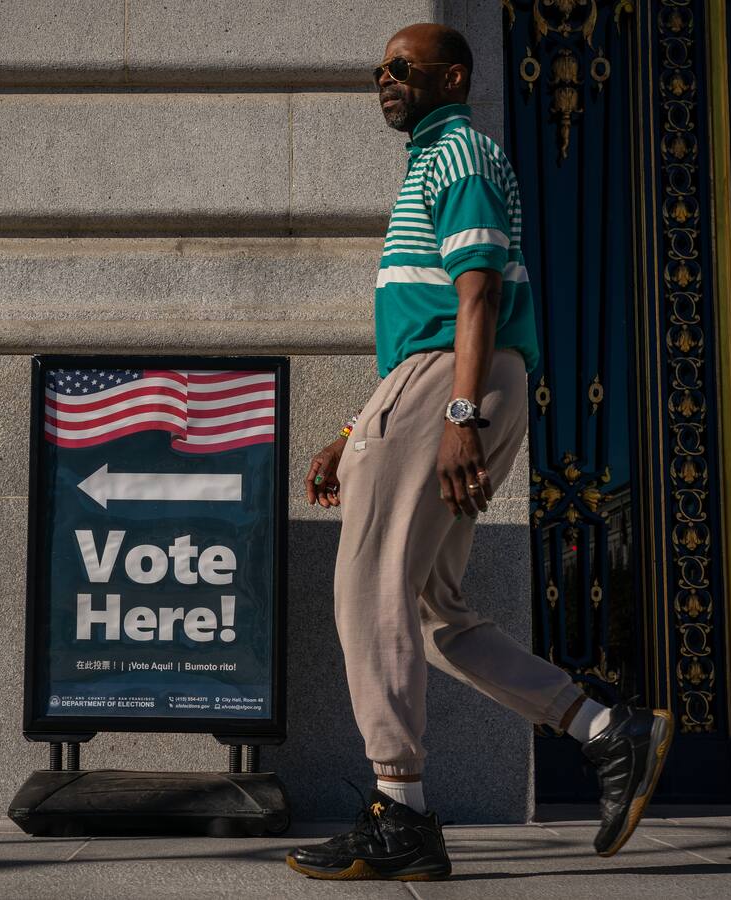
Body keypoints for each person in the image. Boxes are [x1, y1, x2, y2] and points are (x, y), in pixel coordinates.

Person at [284, 23, 675, 882]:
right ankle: (607, 731)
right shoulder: (440, 159)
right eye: (377, 67)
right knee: (433, 614)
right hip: (438, 386)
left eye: (401, 66)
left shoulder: (458, 151)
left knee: (367, 585)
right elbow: (432, 314)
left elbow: (479, 290)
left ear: (452, 75)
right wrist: (357, 432)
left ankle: (400, 810)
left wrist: (458, 414)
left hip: (448, 385)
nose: (382, 77)